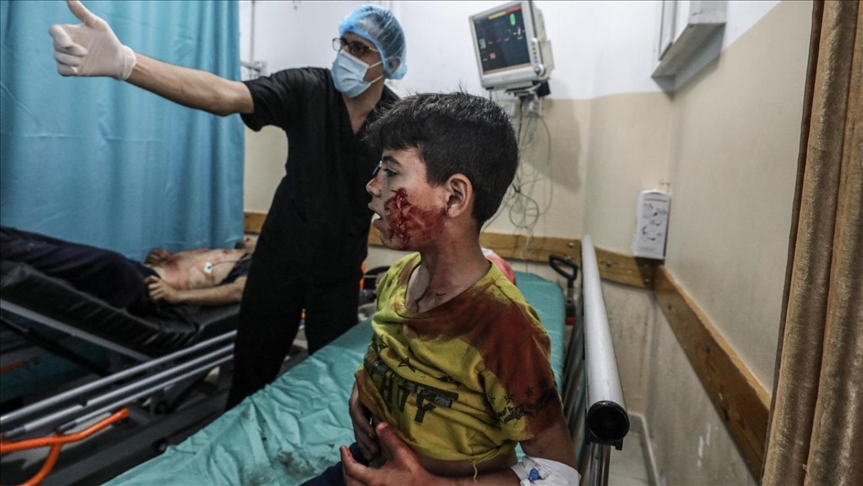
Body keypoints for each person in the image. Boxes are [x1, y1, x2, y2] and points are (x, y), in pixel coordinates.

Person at [48, 1, 407, 408]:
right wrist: (127, 63)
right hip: (279, 261)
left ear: (390, 63)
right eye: (344, 44)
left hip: (338, 271)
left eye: (360, 49)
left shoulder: (396, 122)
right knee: (251, 374)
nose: (346, 57)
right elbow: (224, 95)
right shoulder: (309, 88)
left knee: (331, 383)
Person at [304, 93, 580, 486]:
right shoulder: (398, 277)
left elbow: (559, 472)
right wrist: (362, 391)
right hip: (367, 466)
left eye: (390, 172)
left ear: (453, 197)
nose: (372, 186)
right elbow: (388, 355)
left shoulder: (504, 328)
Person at [0, 226, 254, 313]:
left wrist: (176, 296)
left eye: (255, 238)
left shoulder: (252, 263)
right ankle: (7, 238)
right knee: (69, 249)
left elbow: (238, 292)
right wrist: (161, 258)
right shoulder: (226, 252)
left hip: (151, 293)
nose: (248, 238)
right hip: (144, 273)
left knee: (108, 262)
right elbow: (184, 271)